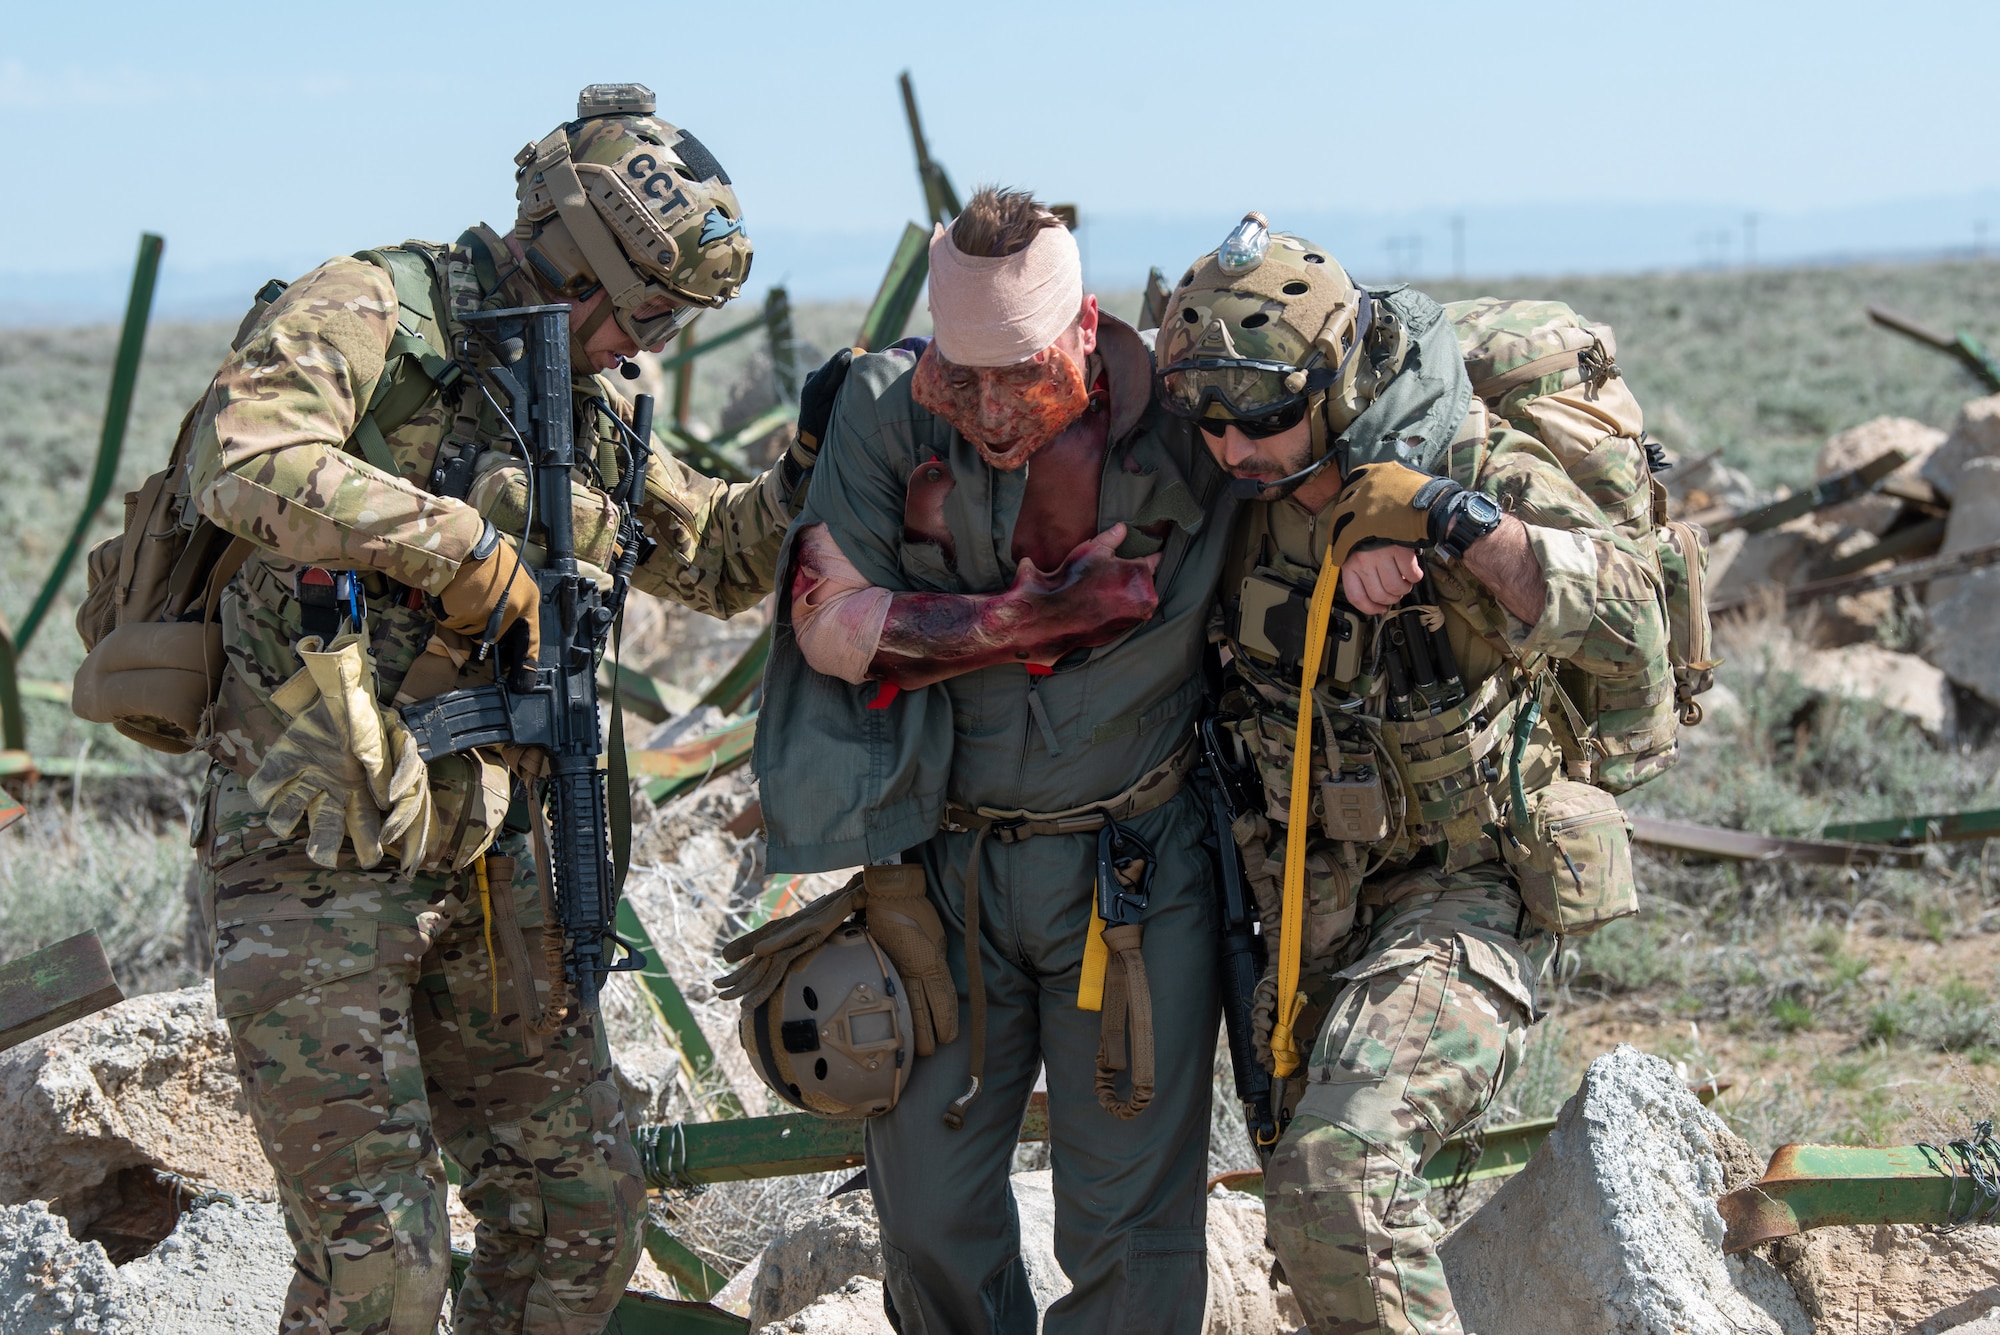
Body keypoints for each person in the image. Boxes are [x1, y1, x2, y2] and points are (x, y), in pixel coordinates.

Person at [175, 84, 812, 1334]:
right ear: (579, 257)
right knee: (381, 1273)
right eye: (639, 314)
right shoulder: (372, 307)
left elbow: (726, 559)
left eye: (670, 327)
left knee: (581, 1213)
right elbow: (242, 459)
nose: (645, 349)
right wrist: (459, 548)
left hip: (492, 861)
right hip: (315, 858)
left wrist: (818, 462)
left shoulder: (587, 400)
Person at [1153, 218, 1672, 1334]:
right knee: (1316, 1210)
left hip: (1467, 877)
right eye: (1209, 424)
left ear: (1331, 380)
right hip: (1305, 895)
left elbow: (1635, 632)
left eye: (1264, 419)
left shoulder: (1462, 460)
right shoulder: (1227, 501)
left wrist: (1452, 521)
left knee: (1337, 1183)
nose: (1235, 449)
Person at [744, 187, 1237, 1333]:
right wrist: (1032, 619)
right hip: (943, 874)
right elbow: (828, 622)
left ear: (1085, 329)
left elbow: (1370, 384)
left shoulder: (1189, 414)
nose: (989, 411)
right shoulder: (883, 410)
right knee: (926, 1208)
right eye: (958, 379)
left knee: (1127, 1222)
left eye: (1021, 373)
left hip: (1130, 872)